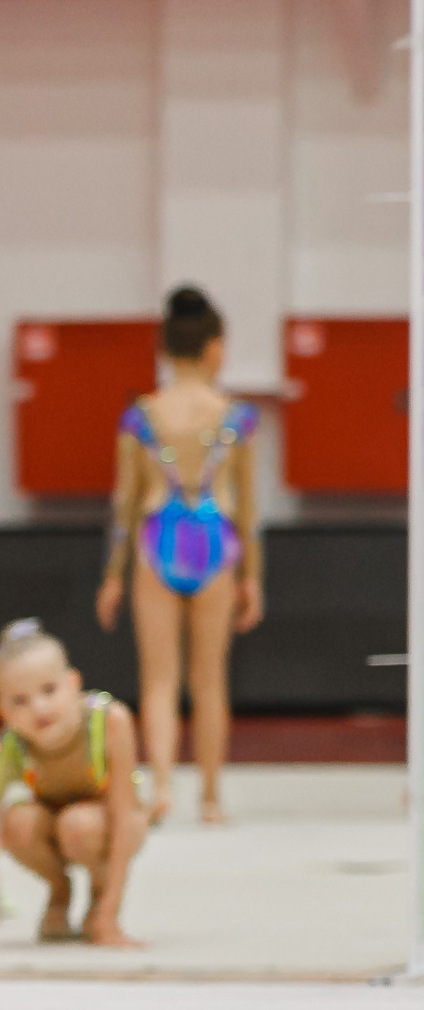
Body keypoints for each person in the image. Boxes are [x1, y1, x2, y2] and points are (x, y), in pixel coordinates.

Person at [95, 286, 262, 826]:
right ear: (215, 347)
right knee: (210, 680)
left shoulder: (142, 416)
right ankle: (211, 796)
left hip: (157, 539)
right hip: (215, 540)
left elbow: (124, 506)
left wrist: (112, 577)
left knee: (159, 680)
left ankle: (162, 784)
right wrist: (253, 577)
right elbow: (248, 510)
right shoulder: (235, 419)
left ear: (164, 349)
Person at [0, 620, 144, 947]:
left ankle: (97, 893)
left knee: (77, 825)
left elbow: (123, 817)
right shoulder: (12, 744)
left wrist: (110, 912)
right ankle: (59, 889)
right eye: (19, 701)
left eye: (49, 690)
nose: (39, 708)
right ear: (3, 709)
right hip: (54, 824)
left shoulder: (109, 721)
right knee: (16, 823)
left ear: (73, 683)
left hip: (105, 824)